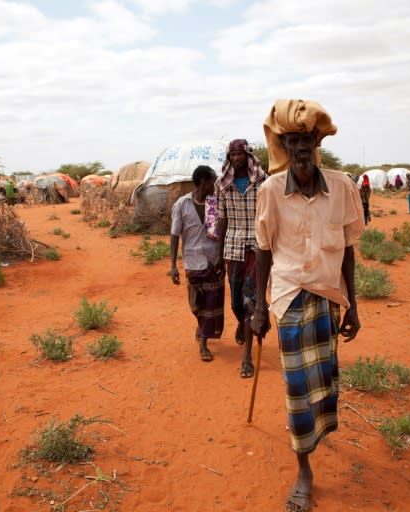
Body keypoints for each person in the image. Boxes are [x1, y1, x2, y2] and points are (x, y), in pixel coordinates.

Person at [251, 99, 364, 512]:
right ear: (285, 145)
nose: (302, 147)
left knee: (324, 382)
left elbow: (349, 249)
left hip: (329, 297)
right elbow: (263, 250)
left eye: (307, 139)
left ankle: (316, 437)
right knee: (298, 388)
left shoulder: (342, 187)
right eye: (293, 140)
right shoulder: (269, 191)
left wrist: (352, 304)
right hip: (290, 296)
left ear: (317, 142)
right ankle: (304, 470)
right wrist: (261, 307)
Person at [214, 139, 267, 378]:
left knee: (251, 302)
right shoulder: (221, 184)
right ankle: (241, 322)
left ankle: (247, 358)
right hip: (233, 248)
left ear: (247, 156)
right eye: (231, 155)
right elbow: (220, 219)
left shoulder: (263, 182)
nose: (235, 158)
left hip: (258, 249)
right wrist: (217, 251)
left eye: (239, 154)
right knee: (236, 302)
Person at [170, 165, 225, 362]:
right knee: (196, 305)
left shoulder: (214, 204)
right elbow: (175, 235)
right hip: (193, 262)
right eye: (213, 180)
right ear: (204, 182)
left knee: (211, 303)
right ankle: (201, 325)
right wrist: (173, 265)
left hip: (212, 260)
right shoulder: (182, 204)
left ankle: (203, 343)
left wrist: (220, 255)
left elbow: (219, 232)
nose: (215, 184)